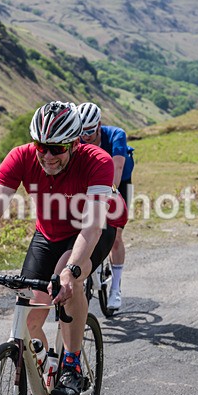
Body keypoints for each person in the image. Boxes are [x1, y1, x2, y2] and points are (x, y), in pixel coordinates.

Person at [0, 101, 127, 395]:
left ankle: (71, 363)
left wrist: (71, 272)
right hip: (48, 233)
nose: (47, 155)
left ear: (74, 143)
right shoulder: (20, 157)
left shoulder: (97, 161)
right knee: (31, 317)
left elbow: (93, 228)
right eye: (41, 146)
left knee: (68, 278)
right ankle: (47, 368)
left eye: (57, 149)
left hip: (91, 231)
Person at [77, 102, 134, 311]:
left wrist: (110, 193)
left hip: (119, 185)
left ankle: (116, 288)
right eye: (82, 132)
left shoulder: (116, 135)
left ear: (99, 124)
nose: (86, 136)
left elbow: (117, 166)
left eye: (90, 131)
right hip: (90, 186)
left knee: (116, 236)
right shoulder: (78, 137)